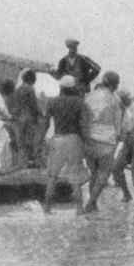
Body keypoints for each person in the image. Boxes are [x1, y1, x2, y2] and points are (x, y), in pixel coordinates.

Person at [41, 75, 92, 215]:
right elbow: (83, 126)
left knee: (52, 176)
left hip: (57, 138)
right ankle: (79, 209)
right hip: (74, 139)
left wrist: (40, 140)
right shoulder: (80, 103)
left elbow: (45, 124)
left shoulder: (52, 102)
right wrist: (87, 143)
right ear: (73, 87)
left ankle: (47, 208)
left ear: (61, 87)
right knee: (75, 176)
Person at [82, 71, 123, 212]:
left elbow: (83, 118)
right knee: (104, 174)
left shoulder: (88, 97)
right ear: (115, 85)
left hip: (89, 140)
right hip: (106, 141)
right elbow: (118, 126)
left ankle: (93, 205)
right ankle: (90, 203)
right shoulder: (115, 99)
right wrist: (118, 139)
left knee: (93, 173)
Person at [12, 69, 43, 167]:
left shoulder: (17, 89)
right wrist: (40, 114)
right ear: (32, 79)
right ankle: (29, 163)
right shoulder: (30, 89)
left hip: (18, 119)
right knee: (29, 142)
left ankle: (21, 163)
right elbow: (34, 104)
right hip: (28, 118)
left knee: (20, 144)